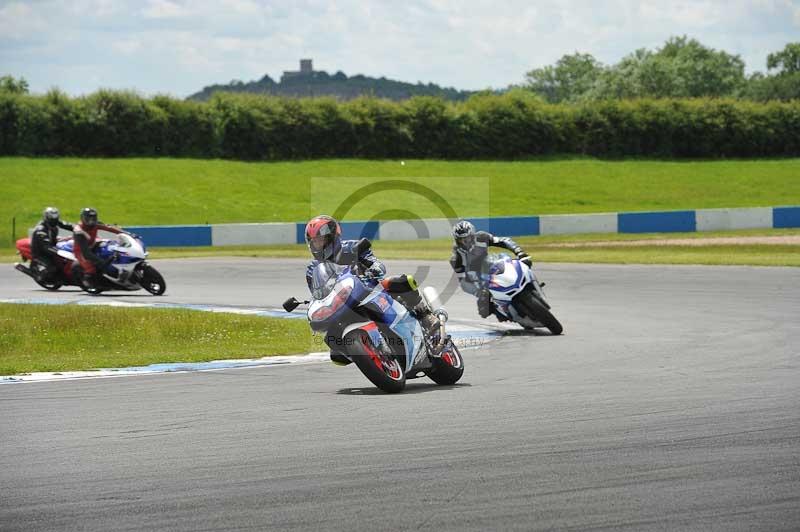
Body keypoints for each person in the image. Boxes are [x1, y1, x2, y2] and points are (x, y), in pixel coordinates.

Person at [304, 215, 442, 363]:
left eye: (321, 240)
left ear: (332, 237)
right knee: (337, 356)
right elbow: (318, 292)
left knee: (403, 281)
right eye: (315, 242)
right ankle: (367, 352)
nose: (318, 245)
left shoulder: (351, 247)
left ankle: (425, 315)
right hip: (343, 301)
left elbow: (376, 263)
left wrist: (374, 268)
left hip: (370, 288)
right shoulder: (312, 269)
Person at [449, 220, 532, 320]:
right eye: (462, 240)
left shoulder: (481, 237)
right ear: (457, 240)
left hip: (492, 265)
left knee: (522, 263)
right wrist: (478, 292)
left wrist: (520, 253)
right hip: (480, 282)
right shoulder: (456, 258)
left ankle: (529, 284)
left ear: (473, 235)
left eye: (467, 238)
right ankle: (506, 312)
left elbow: (504, 241)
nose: (465, 242)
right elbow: (463, 282)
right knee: (484, 310)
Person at [72, 207, 127, 289]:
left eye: (93, 218)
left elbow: (109, 228)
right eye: (89, 218)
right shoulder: (79, 232)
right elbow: (86, 253)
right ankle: (88, 282)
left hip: (93, 245)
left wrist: (125, 233)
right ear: (83, 218)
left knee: (109, 250)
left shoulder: (96, 224)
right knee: (90, 268)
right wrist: (100, 261)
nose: (91, 220)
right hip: (81, 251)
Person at [30, 207, 74, 282]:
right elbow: (46, 246)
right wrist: (59, 252)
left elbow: (68, 225)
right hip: (40, 253)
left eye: (55, 218)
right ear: (46, 217)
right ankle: (40, 276)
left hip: (51, 247)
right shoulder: (41, 229)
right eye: (52, 218)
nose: (54, 220)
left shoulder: (55, 223)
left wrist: (79, 228)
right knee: (52, 268)